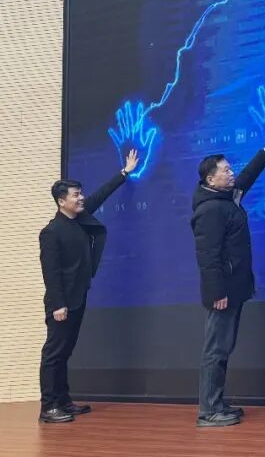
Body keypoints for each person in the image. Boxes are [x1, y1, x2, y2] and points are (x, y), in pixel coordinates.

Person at [191, 121, 265, 427]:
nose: (232, 173)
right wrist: (216, 293)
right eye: (226, 170)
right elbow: (207, 257)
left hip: (234, 288)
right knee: (215, 350)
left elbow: (247, 177)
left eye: (230, 169)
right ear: (211, 179)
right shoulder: (210, 210)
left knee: (223, 348)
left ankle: (217, 402)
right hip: (223, 292)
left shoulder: (225, 197)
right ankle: (208, 411)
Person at [39, 149, 140, 424]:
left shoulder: (80, 219)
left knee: (65, 352)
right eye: (76, 195)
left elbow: (100, 195)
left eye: (80, 193)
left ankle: (63, 401)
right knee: (54, 354)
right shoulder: (51, 232)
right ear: (62, 201)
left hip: (77, 297)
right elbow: (51, 273)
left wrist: (124, 172)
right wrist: (58, 304)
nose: (81, 197)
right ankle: (48, 407)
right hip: (61, 303)